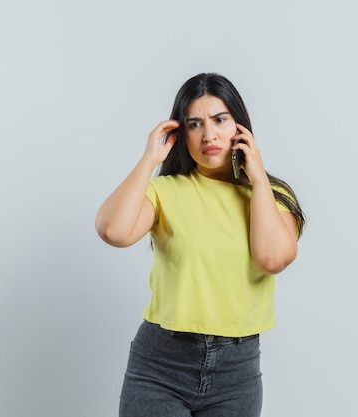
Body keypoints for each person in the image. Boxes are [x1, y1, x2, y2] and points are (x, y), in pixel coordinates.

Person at [95, 72, 305, 417]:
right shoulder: (166, 191)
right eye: (194, 124)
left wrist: (257, 177)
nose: (209, 134)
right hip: (159, 366)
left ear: (239, 126)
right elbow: (112, 231)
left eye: (220, 120)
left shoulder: (272, 198)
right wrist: (149, 159)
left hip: (236, 375)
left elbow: (272, 258)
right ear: (181, 133)